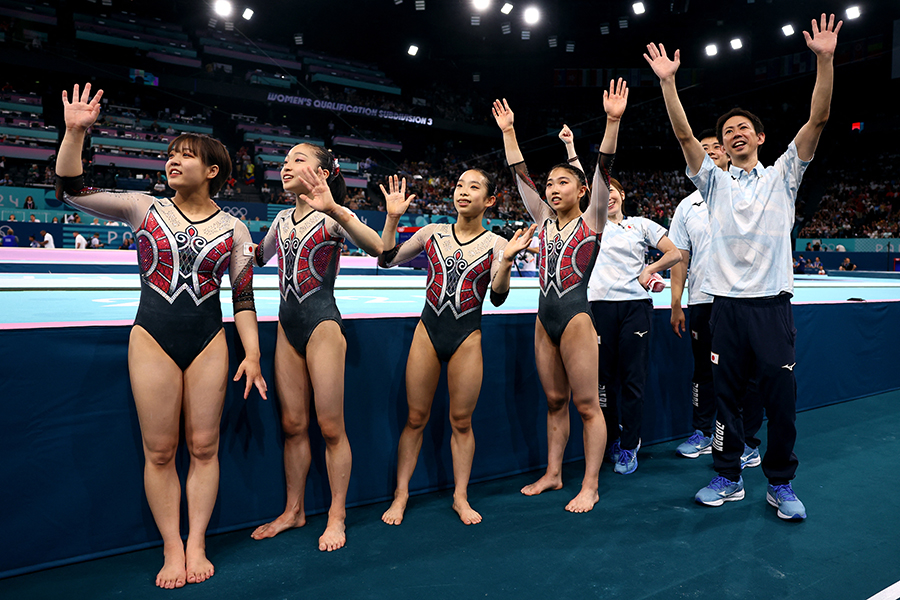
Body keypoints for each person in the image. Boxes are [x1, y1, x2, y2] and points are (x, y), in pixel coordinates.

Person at [56, 83, 267, 587]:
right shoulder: (141, 208)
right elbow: (71, 189)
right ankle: (172, 547)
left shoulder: (235, 230)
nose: (172, 161)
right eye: (170, 155)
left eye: (186, 156)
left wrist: (254, 354)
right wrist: (73, 132)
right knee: (159, 451)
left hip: (208, 341)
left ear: (213, 171)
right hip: (151, 336)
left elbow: (242, 300)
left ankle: (197, 542)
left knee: (204, 446)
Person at [645, 13, 842, 520]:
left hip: (772, 308)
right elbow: (687, 137)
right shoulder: (713, 185)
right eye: (727, 131)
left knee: (780, 401)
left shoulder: (785, 175)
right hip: (727, 309)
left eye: (742, 129)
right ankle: (727, 475)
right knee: (726, 400)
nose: (734, 134)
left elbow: (818, 119)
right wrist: (669, 83)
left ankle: (780, 483)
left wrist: (824, 60)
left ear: (759, 136)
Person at [491, 80, 623, 512]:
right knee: (553, 401)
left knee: (587, 406)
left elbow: (603, 167)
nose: (552, 188)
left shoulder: (594, 220)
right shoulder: (543, 222)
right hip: (543, 320)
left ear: (581, 190)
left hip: (576, 319)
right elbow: (519, 176)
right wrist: (509, 132)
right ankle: (553, 473)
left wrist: (612, 121)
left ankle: (590, 484)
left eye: (563, 181)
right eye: (550, 183)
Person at [378, 172, 532, 526]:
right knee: (415, 419)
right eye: (460, 185)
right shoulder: (432, 234)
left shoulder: (496, 244)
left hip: (467, 337)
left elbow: (497, 296)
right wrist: (392, 218)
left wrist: (507, 260)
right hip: (427, 333)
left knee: (461, 422)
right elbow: (386, 259)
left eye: (474, 187)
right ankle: (401, 494)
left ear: (490, 200)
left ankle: (460, 496)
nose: (463, 192)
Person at [250, 143, 383, 551]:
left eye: (298, 160)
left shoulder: (332, 219)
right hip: (287, 329)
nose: (286, 166)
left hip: (322, 326)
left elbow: (378, 246)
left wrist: (336, 208)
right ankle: (294, 510)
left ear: (323, 173)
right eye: (285, 160)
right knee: (292, 427)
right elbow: (256, 258)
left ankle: (337, 514)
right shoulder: (281, 220)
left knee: (329, 427)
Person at [669, 130, 763, 469]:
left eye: (714, 149)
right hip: (703, 301)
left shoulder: (747, 193)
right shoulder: (686, 207)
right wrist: (677, 301)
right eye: (702, 149)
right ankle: (703, 431)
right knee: (703, 372)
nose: (708, 153)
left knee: (748, 375)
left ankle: (748, 440)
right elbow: (680, 257)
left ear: (726, 154)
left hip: (743, 299)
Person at [585, 158, 681, 474]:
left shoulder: (641, 224)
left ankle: (630, 446)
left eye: (613, 190)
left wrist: (650, 269)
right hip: (598, 308)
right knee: (603, 383)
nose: (608, 195)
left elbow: (674, 253)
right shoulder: (590, 226)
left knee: (632, 381)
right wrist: (570, 147)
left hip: (634, 308)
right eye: (603, 192)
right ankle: (611, 439)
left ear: (623, 195)